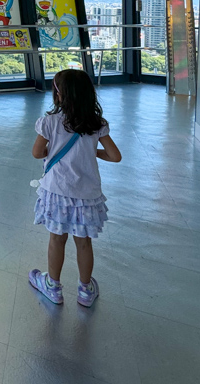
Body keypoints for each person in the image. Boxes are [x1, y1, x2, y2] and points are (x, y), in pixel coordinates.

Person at [29, 69, 121, 307]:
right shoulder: (96, 123)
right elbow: (115, 156)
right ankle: (86, 289)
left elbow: (37, 152)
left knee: (56, 240)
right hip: (86, 195)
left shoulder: (49, 122)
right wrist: (90, 152)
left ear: (59, 96)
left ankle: (53, 287)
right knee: (84, 242)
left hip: (57, 192)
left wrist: (54, 152)